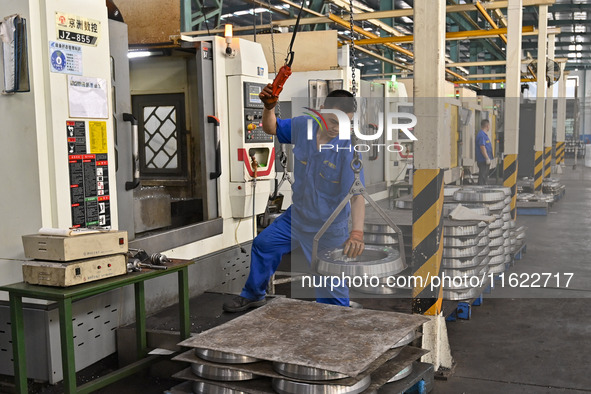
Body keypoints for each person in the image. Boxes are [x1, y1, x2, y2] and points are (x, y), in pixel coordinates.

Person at [223, 85, 366, 312]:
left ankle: (337, 320)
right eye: (333, 121)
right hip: (297, 218)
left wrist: (356, 232)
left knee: (330, 285)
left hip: (328, 227)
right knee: (264, 245)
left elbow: (357, 196)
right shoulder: (303, 126)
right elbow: (271, 127)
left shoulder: (347, 149)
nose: (337, 129)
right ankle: (253, 295)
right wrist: (269, 106)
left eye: (344, 123)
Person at [475, 119, 493, 185]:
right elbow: (482, 147)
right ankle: (481, 191)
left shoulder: (484, 135)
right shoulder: (481, 135)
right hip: (483, 160)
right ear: (487, 126)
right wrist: (487, 158)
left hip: (484, 161)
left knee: (484, 177)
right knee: (482, 178)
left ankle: (482, 189)